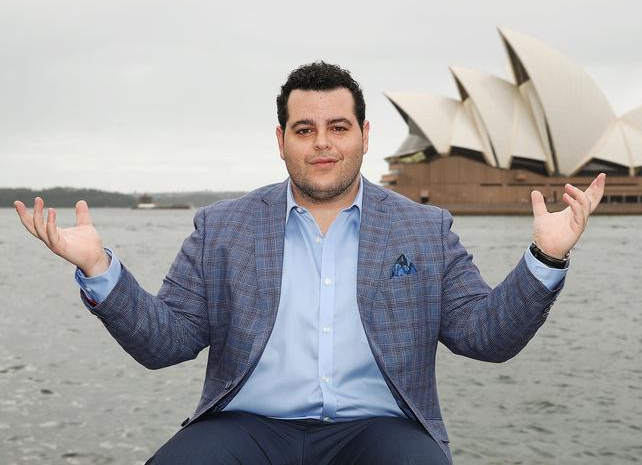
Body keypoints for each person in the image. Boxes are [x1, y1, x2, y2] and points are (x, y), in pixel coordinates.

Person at [14, 61, 606, 465]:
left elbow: (486, 336)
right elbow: (165, 342)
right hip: (245, 425)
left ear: (365, 135)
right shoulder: (221, 227)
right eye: (305, 129)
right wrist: (99, 270)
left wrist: (545, 256)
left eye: (338, 127)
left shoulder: (425, 229)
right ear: (281, 140)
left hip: (382, 428)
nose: (322, 142)